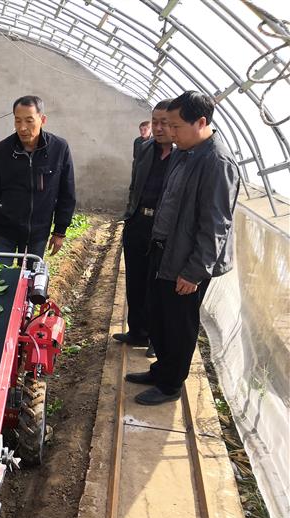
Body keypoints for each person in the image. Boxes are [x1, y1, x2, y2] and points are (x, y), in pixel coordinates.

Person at [126, 91, 239, 406]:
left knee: (179, 324)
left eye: (176, 126)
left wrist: (194, 272)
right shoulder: (185, 153)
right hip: (166, 250)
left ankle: (170, 384)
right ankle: (161, 370)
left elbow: (216, 225)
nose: (170, 133)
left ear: (200, 122)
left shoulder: (216, 162)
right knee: (159, 316)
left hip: (187, 261)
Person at [0, 96, 76, 264]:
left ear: (42, 120)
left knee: (30, 278)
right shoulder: (0, 152)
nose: (22, 127)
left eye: (29, 120)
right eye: (18, 120)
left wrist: (60, 231)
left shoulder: (59, 149)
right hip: (3, 231)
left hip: (38, 232)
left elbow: (67, 193)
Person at [114, 100, 174, 358]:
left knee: (157, 285)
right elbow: (134, 184)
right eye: (155, 122)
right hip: (138, 222)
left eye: (164, 123)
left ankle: (156, 338)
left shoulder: (184, 155)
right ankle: (137, 330)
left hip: (163, 229)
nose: (158, 128)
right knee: (135, 280)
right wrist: (131, 213)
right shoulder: (146, 148)